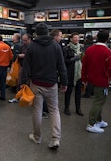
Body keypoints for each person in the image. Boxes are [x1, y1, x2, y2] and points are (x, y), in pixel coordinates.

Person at [21, 22, 67, 150]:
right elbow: (61, 66)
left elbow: (26, 67)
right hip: (52, 83)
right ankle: (55, 139)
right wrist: (64, 82)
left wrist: (23, 82)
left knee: (37, 110)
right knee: (54, 110)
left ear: (36, 33)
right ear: (47, 32)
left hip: (36, 84)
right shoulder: (56, 46)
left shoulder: (31, 47)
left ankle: (37, 137)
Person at [82, 30, 111, 133]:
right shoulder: (107, 52)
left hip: (91, 80)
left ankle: (98, 120)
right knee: (99, 102)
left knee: (98, 101)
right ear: (107, 39)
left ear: (96, 37)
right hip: (102, 81)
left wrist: (84, 79)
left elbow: (84, 66)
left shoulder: (89, 50)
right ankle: (91, 124)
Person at [63, 32, 84, 116]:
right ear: (71, 39)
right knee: (68, 92)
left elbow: (84, 60)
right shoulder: (66, 49)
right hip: (70, 73)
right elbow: (64, 61)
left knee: (78, 92)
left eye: (78, 38)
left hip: (79, 73)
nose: (77, 39)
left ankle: (78, 108)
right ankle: (66, 108)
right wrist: (74, 59)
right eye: (75, 38)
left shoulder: (81, 48)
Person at [8, 33, 32, 103]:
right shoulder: (22, 46)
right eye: (23, 40)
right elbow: (18, 54)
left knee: (28, 84)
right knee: (19, 82)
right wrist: (19, 55)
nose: (24, 42)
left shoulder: (33, 47)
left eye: (25, 40)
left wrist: (26, 56)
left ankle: (27, 98)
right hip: (22, 66)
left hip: (30, 68)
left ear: (30, 39)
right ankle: (18, 97)